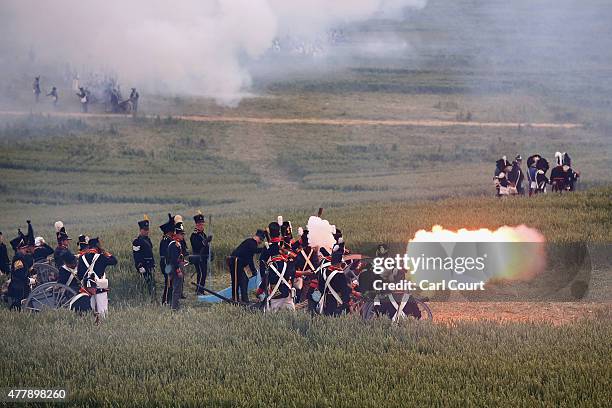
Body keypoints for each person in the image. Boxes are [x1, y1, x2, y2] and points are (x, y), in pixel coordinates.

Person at [259, 222, 295, 311]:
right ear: (279, 232)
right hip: (286, 281)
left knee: (272, 311)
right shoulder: (284, 244)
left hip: (273, 281)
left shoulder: (268, 247)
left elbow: (262, 264)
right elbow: (293, 258)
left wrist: (263, 281)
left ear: (270, 234)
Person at [78, 237, 117, 320]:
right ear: (97, 247)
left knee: (90, 315)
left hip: (87, 289)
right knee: (103, 313)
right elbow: (114, 261)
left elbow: (79, 275)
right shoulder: (102, 257)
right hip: (100, 289)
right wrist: (104, 252)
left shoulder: (82, 258)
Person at [228, 229, 265, 302]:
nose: (260, 243)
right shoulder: (251, 242)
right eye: (261, 240)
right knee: (236, 281)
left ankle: (245, 300)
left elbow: (250, 259)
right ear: (259, 238)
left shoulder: (251, 243)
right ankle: (235, 299)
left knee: (244, 280)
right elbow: (255, 250)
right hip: (235, 261)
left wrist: (253, 270)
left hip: (240, 264)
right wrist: (264, 249)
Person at [317, 239, 350, 316]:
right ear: (340, 262)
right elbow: (344, 291)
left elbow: (321, 287)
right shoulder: (340, 274)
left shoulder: (325, 271)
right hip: (337, 301)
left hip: (326, 300)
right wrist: (346, 302)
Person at [7, 228, 34, 310]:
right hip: (18, 288)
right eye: (23, 248)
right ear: (18, 249)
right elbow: (20, 275)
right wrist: (30, 280)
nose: (25, 249)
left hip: (21, 287)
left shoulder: (21, 257)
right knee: (17, 308)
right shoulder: (18, 259)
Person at [132, 215, 156, 297]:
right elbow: (136, 255)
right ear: (140, 230)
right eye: (145, 230)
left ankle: (152, 297)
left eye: (147, 230)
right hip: (143, 266)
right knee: (146, 283)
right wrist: (139, 266)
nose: (146, 231)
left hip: (150, 265)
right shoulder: (136, 241)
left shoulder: (148, 239)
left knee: (152, 283)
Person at [190, 211, 212, 295]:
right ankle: (199, 290)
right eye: (200, 224)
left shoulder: (203, 234)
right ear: (196, 225)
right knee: (201, 273)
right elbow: (197, 246)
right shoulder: (194, 235)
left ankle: (200, 289)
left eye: (202, 224)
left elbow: (206, 246)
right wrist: (206, 241)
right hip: (198, 258)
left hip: (204, 257)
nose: (202, 226)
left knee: (204, 273)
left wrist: (210, 252)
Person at [167, 220, 187, 310]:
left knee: (178, 289)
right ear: (177, 234)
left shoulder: (177, 244)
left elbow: (179, 257)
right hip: (175, 269)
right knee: (177, 290)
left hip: (176, 267)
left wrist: (183, 261)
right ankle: (175, 308)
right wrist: (178, 270)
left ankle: (176, 306)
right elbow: (174, 260)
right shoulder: (174, 244)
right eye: (181, 234)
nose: (183, 236)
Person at [159, 214, 174, 305]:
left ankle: (168, 300)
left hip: (168, 263)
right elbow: (166, 255)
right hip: (166, 264)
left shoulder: (168, 240)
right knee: (168, 282)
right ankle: (165, 301)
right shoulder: (165, 241)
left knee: (170, 283)